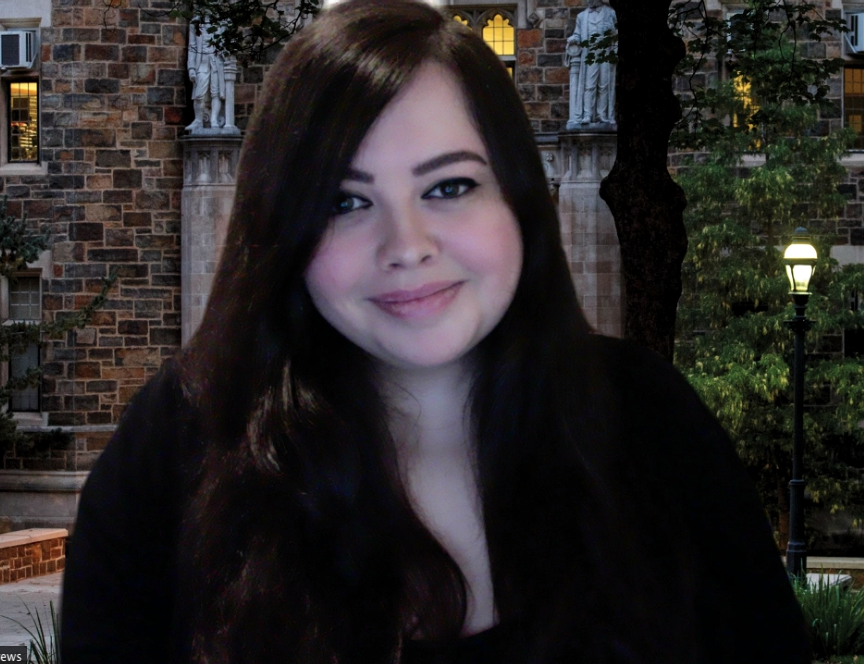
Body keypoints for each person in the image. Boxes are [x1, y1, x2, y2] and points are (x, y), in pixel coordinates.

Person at [61, 1, 811, 662]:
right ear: (282, 229)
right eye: (345, 202)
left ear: (519, 197)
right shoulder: (178, 452)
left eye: (450, 186)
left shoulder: (649, 424)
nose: (408, 245)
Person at [565, 0, 617, 126]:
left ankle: (601, 115)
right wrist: (573, 39)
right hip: (589, 53)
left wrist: (611, 30)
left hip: (605, 52)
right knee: (589, 84)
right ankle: (587, 114)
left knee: (604, 84)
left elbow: (616, 34)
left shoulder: (610, 13)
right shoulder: (582, 16)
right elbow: (578, 34)